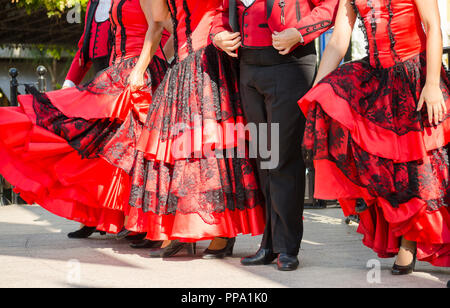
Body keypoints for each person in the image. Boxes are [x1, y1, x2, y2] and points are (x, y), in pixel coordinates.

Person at [104, 0, 266, 258]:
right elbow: (159, 17)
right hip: (182, 65)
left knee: (210, 150)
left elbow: (226, 9)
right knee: (178, 152)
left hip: (210, 58)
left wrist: (216, 34)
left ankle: (222, 232)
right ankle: (183, 231)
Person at [298, 0, 450, 273]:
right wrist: (315, 92)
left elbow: (433, 27)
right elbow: (337, 43)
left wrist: (431, 84)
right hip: (379, 80)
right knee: (387, 169)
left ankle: (410, 241)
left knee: (423, 168)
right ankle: (406, 238)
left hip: (415, 76)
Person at [0, 0, 172, 240]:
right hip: (115, 72)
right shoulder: (98, 4)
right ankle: (109, 218)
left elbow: (163, 27)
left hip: (135, 73)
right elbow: (86, 45)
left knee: (132, 150)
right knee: (103, 148)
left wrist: (153, 65)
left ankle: (141, 223)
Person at [211, 0, 338, 271]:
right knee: (264, 160)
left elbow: (330, 6)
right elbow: (220, 13)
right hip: (248, 68)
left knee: (281, 158)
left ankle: (287, 247)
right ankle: (269, 244)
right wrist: (218, 35)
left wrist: (301, 32)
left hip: (289, 65)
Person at [63, 0, 113, 89]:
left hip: (119, 79)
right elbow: (85, 47)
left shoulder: (124, 3)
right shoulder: (92, 4)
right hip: (99, 84)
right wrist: (69, 83)